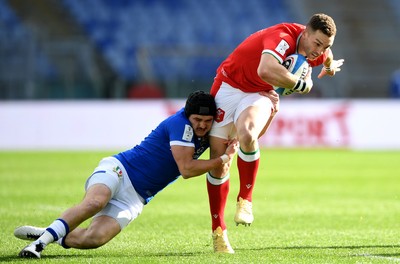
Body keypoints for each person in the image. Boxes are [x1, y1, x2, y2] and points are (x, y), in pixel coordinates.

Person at [14, 90, 239, 259]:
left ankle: (52, 232)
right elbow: (187, 170)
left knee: (95, 239)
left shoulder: (208, 130)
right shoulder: (180, 124)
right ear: (187, 115)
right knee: (95, 201)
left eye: (207, 122)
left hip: (136, 197)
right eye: (197, 120)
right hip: (120, 170)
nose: (202, 126)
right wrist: (224, 157)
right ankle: (38, 245)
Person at [206, 13, 344, 253]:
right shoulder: (282, 37)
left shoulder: (319, 49)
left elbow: (327, 55)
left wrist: (330, 66)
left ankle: (245, 200)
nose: (319, 51)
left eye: (325, 46)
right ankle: (219, 231)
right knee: (218, 164)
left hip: (259, 93)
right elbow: (266, 69)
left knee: (248, 134)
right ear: (305, 33)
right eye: (317, 44)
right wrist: (301, 84)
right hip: (228, 85)